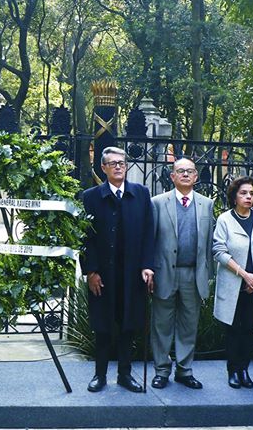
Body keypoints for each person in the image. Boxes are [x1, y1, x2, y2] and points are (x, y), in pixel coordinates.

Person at [79, 146, 156, 394]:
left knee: (128, 325)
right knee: (103, 326)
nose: (118, 167)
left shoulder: (141, 194)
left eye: (121, 162)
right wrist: (90, 271)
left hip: (132, 274)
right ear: (103, 168)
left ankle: (125, 374)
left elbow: (149, 233)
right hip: (103, 274)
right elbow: (85, 238)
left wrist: (147, 265)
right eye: (112, 163)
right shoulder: (90, 197)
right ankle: (99, 375)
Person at [148, 158, 214, 390]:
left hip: (193, 274)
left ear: (196, 176)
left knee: (189, 324)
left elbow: (207, 243)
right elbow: (151, 240)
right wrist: (149, 269)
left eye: (190, 171)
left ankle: (184, 371)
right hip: (165, 272)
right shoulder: (157, 203)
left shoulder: (207, 204)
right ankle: (162, 370)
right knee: (161, 324)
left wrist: (208, 274)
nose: (185, 174)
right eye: (180, 171)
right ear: (172, 176)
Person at [213, 176, 253, 389]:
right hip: (233, 283)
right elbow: (219, 251)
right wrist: (244, 275)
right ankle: (232, 370)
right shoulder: (224, 220)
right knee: (232, 329)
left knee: (249, 329)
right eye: (243, 193)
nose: (248, 197)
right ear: (234, 196)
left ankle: (244, 370)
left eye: (251, 193)